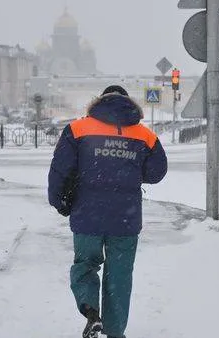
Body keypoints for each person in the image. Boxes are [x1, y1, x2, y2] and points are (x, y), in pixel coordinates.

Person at [48, 85, 168, 338]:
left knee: (85, 266)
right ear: (129, 104)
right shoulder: (144, 134)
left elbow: (60, 169)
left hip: (87, 214)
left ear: (99, 102)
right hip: (126, 217)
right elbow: (157, 172)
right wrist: (131, 174)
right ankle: (115, 332)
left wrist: (58, 201)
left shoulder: (78, 129)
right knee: (120, 276)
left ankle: (91, 312)